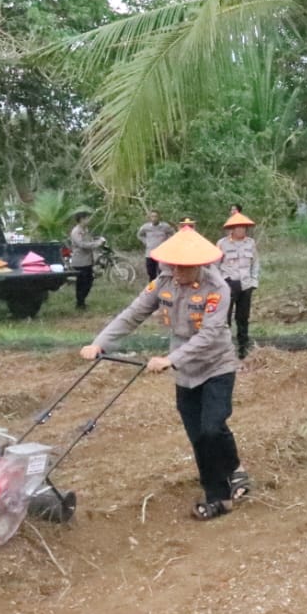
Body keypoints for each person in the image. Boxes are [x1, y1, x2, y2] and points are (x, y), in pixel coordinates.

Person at [80, 221, 249, 520]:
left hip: (216, 365)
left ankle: (226, 484)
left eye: (185, 267)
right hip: (186, 373)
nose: (178, 272)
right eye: (173, 266)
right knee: (199, 436)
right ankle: (222, 488)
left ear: (200, 264)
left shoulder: (217, 289)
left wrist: (171, 359)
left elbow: (209, 335)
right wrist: (99, 344)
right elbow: (132, 314)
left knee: (213, 427)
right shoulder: (162, 283)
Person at [218, 211, 259, 360]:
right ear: (232, 229)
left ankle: (243, 348)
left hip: (246, 284)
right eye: (239, 227)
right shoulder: (222, 244)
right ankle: (226, 349)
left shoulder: (250, 243)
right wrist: (221, 282)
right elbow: (216, 265)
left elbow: (255, 263)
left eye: (244, 227)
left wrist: (254, 281)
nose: (242, 230)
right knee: (225, 318)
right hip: (228, 284)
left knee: (243, 318)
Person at [68, 210, 104, 310]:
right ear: (82, 219)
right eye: (87, 218)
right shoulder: (76, 231)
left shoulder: (86, 230)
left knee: (89, 281)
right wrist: (96, 244)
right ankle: (80, 303)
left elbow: (89, 241)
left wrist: (97, 241)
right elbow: (82, 244)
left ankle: (82, 301)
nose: (89, 220)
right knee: (82, 283)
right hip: (80, 261)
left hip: (88, 260)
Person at [136, 210, 175, 281]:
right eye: (152, 216)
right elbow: (139, 235)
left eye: (156, 216)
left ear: (159, 217)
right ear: (150, 218)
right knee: (150, 272)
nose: (154, 218)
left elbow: (172, 234)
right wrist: (146, 242)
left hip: (161, 253)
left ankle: (161, 288)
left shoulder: (165, 226)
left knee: (162, 272)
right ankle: (152, 289)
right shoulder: (146, 227)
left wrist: (167, 243)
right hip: (150, 253)